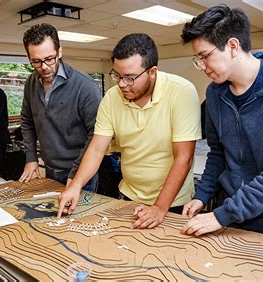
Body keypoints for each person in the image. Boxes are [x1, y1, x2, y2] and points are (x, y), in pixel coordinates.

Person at [180, 4, 263, 241]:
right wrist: (202, 195)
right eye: (197, 59)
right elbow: (218, 153)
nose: (202, 66)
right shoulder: (215, 94)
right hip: (234, 221)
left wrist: (220, 216)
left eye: (205, 56)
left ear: (233, 46)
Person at [58, 34, 202, 230]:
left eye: (130, 78)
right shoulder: (111, 98)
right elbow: (97, 149)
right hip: (128, 196)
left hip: (172, 202)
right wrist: (75, 185)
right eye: (117, 75)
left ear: (152, 72)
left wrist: (160, 207)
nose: (122, 84)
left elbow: (183, 157)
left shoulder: (182, 91)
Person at [19, 23, 102, 190]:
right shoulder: (31, 82)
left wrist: (75, 176)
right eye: (35, 61)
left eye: (49, 59)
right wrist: (31, 158)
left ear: (60, 52)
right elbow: (27, 121)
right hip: (50, 169)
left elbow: (97, 134)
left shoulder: (85, 86)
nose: (43, 67)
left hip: (81, 172)